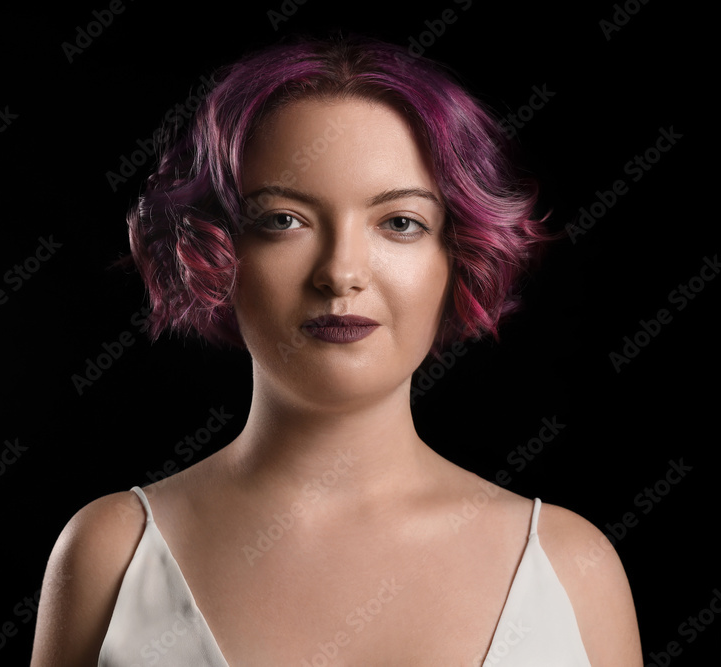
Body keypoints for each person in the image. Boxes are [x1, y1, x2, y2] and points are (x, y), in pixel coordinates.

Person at [31, 33, 642, 666]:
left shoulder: (572, 568)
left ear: (460, 256)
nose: (341, 273)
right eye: (283, 220)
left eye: (400, 223)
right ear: (216, 250)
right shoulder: (110, 553)